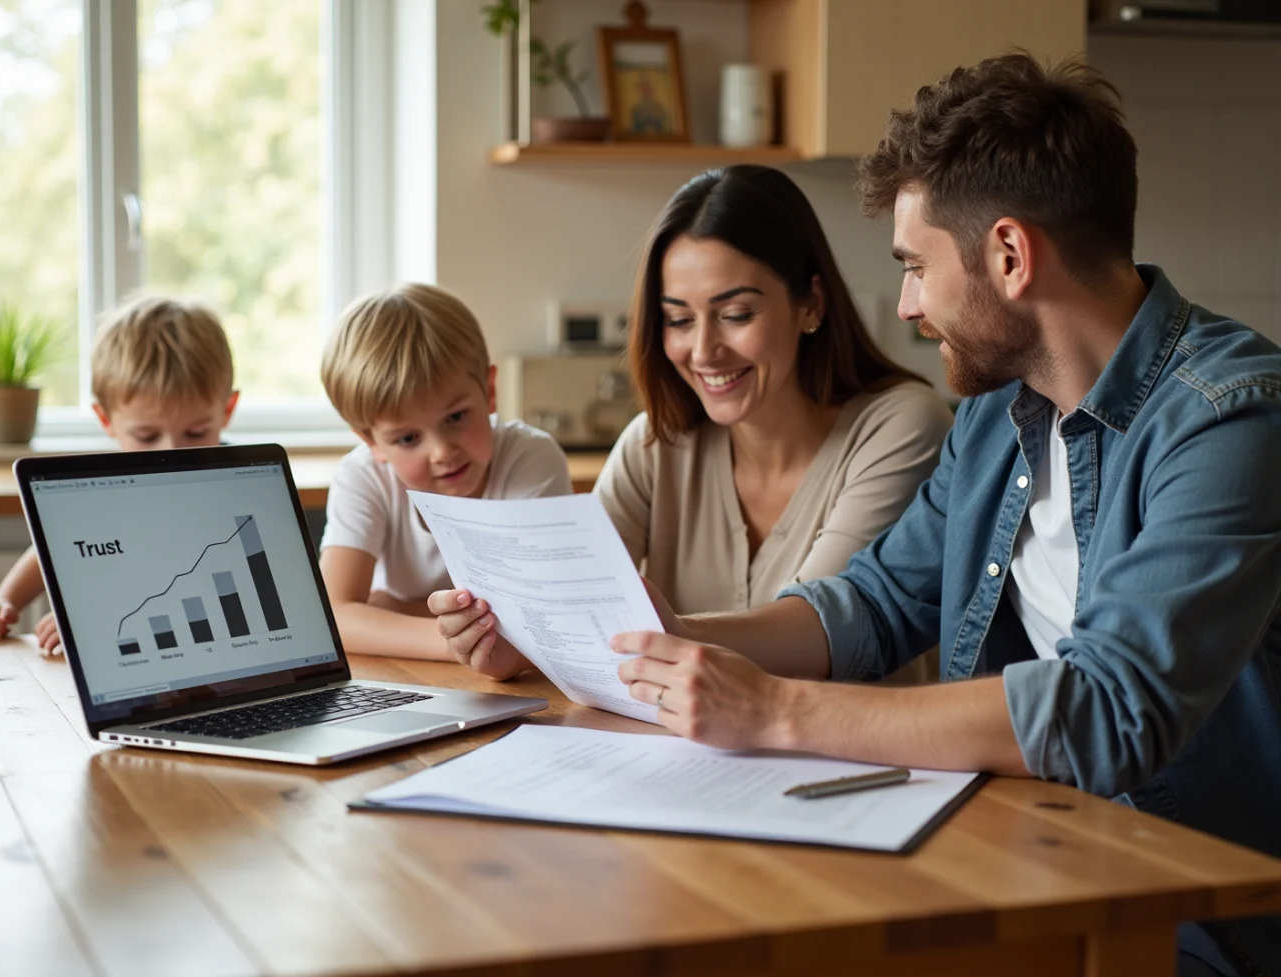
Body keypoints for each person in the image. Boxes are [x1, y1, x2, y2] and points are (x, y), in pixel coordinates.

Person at [432, 54, 1281, 977]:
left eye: (917, 266)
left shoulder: (1230, 416)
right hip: (1031, 848)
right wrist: (670, 635)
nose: (909, 303)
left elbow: (1108, 708)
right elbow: (874, 605)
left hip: (1202, 911)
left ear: (1009, 253)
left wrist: (776, 710)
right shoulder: (997, 417)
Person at [595, 165, 952, 624]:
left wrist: (665, 640)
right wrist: (510, 640)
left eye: (737, 314)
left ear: (811, 304)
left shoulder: (902, 427)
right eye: (680, 320)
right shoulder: (655, 443)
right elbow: (573, 607)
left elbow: (819, 631)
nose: (704, 352)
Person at [0, 296, 239, 655]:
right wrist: (3, 602)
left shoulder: (241, 486)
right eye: (147, 436)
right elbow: (52, 545)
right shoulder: (106, 489)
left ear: (227, 411)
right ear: (106, 420)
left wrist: (100, 622)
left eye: (197, 432)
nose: (172, 452)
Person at [317, 283, 572, 661]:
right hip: (422, 678)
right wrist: (456, 642)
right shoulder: (363, 475)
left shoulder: (530, 459)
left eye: (455, 417)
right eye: (407, 438)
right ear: (371, 442)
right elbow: (332, 617)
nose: (442, 451)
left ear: (488, 391)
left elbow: (539, 620)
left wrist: (393, 608)